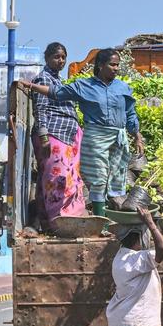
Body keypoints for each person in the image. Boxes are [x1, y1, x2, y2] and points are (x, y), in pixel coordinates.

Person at [18, 48, 145, 216]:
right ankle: (101, 220)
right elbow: (56, 93)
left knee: (116, 179)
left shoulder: (123, 88)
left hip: (118, 138)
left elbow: (130, 113)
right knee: (98, 178)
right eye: (112, 65)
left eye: (117, 65)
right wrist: (33, 86)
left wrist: (137, 136)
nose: (115, 68)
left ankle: (112, 215)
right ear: (100, 65)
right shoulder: (84, 86)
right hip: (95, 137)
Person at [28, 42, 87, 230]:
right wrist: (44, 137)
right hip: (53, 134)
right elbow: (40, 109)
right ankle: (58, 219)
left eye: (63, 57)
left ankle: (53, 217)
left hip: (66, 135)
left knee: (68, 176)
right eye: (56, 57)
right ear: (47, 58)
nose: (60, 61)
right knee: (57, 177)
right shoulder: (43, 80)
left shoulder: (58, 81)